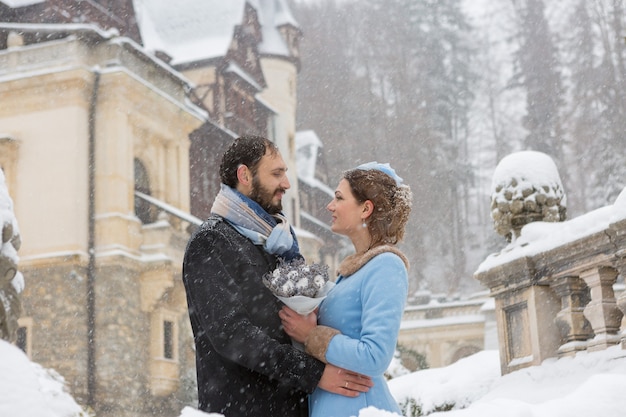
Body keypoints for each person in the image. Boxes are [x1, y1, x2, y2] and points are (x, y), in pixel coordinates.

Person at [182, 136, 373, 417]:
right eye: (276, 173)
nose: (286, 183)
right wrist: (314, 374)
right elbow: (232, 335)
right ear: (244, 175)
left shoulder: (278, 241)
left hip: (294, 407)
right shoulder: (211, 242)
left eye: (285, 172)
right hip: (243, 409)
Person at [279, 162, 412, 417]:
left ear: (366, 208)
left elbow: (375, 357)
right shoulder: (352, 273)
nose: (330, 206)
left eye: (339, 198)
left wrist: (312, 336)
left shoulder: (386, 265)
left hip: (360, 408)